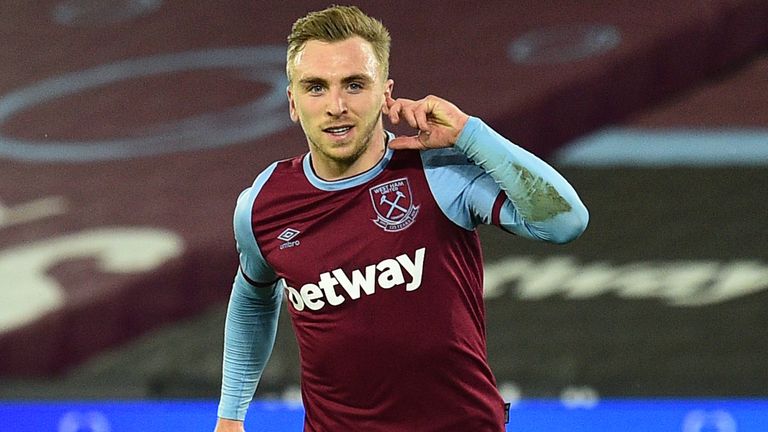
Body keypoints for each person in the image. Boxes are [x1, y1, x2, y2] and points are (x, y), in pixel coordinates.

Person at [214, 5, 588, 432]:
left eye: (354, 85)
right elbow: (252, 297)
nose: (336, 106)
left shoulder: (438, 171)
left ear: (385, 94)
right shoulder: (262, 205)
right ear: (293, 102)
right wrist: (231, 416)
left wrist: (470, 133)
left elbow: (565, 223)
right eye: (315, 87)